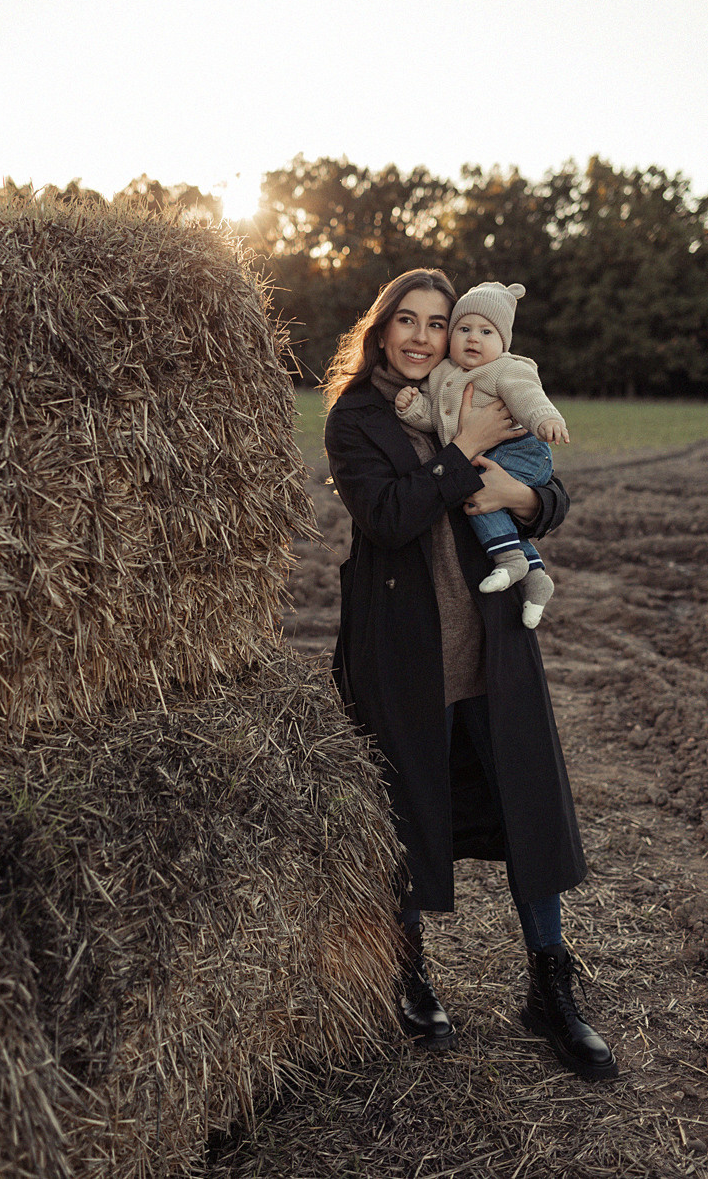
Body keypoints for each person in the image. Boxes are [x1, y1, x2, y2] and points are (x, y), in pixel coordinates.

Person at [323, 268, 617, 1081]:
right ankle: (409, 973)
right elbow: (386, 516)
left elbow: (547, 494)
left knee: (527, 801)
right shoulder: (355, 419)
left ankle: (549, 984)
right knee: (406, 809)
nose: (422, 336)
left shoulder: (478, 385)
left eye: (438, 322)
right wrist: (464, 450)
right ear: (381, 331)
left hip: (493, 640)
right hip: (403, 649)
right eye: (406, 322)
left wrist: (525, 501)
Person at [394, 281, 568, 629]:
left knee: (471, 487)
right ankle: (535, 575)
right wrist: (413, 409)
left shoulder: (506, 368)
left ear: (503, 342)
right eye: (464, 329)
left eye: (486, 331)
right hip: (487, 453)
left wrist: (546, 418)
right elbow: (437, 418)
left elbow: (526, 396)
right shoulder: (442, 373)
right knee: (474, 486)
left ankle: (508, 557)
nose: (473, 338)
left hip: (523, 450)